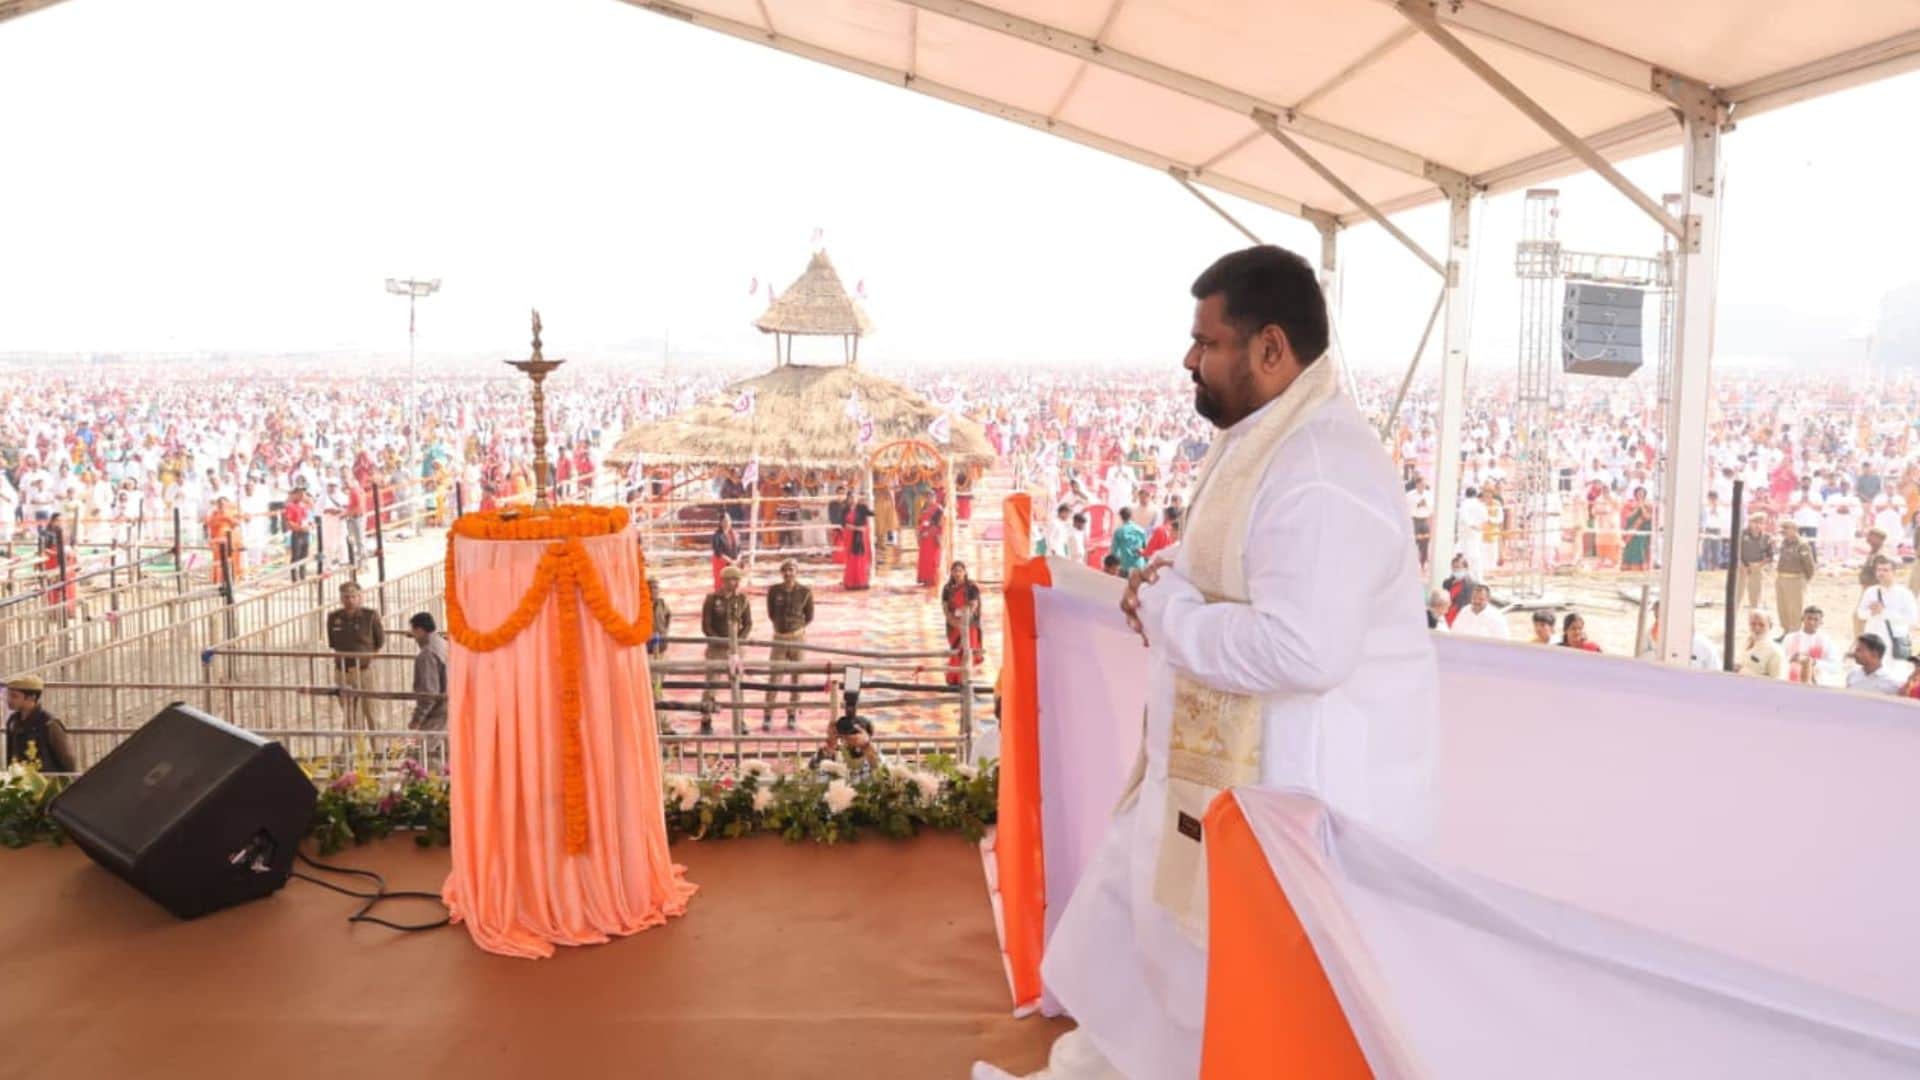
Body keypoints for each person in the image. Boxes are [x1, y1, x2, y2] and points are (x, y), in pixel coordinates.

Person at [979, 245, 1438, 1080]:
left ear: (1270, 348)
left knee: (1260, 994)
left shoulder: (1320, 467)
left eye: (1206, 341)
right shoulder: (1273, 433)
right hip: (1238, 776)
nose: (1190, 359)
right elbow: (1245, 565)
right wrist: (1175, 578)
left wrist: (1169, 610)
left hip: (1302, 789)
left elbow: (1305, 648)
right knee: (1166, 954)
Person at [699, 566, 751, 734]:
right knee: (711, 686)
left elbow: (748, 623)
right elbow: (706, 625)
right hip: (716, 649)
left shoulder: (742, 599)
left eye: (736, 580)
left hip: (736, 650)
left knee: (738, 685)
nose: (733, 583)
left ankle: (740, 720)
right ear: (723, 581)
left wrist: (738, 641)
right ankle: (706, 720)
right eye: (730, 580)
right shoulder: (712, 599)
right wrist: (720, 642)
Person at [327, 582, 385, 732]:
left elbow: (379, 642)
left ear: (360, 598)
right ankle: (351, 751)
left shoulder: (370, 616)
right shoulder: (334, 617)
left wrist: (367, 659)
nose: (350, 600)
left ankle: (378, 751)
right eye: (346, 597)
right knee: (349, 714)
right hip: (342, 671)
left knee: (372, 711)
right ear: (341, 599)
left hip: (365, 670)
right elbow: (333, 643)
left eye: (354, 596)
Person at [764, 559, 813, 731]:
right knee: (774, 677)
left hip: (798, 638)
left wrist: (796, 629)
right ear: (781, 573)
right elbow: (771, 613)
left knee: (797, 678)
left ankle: (792, 714)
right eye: (784, 570)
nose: (788, 573)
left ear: (796, 572)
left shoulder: (805, 592)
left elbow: (809, 616)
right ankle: (768, 715)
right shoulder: (774, 591)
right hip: (779, 638)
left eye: (791, 570)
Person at [4, 675, 75, 773]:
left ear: (31, 698)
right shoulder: (13, 721)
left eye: (14, 696)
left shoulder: (49, 724)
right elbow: (11, 755)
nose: (9, 700)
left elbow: (67, 762)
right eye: (9, 695)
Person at [1856, 556, 1917, 662]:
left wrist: (1884, 613)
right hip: (1874, 641)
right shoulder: (1871, 592)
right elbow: (1860, 614)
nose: (1881, 573)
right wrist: (1872, 612)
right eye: (1879, 570)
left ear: (1894, 573)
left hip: (1894, 642)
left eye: (1885, 570)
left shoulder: (1904, 594)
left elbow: (1913, 619)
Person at [407, 612, 449, 746]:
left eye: (412, 631)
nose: (412, 635)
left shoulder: (427, 655)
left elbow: (428, 693)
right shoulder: (443, 644)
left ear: (419, 631)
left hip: (438, 713)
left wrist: (417, 719)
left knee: (424, 756)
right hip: (451, 708)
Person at [942, 561, 984, 687]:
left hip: (969, 625)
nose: (957, 573)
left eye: (960, 571)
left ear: (965, 572)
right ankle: (954, 678)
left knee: (967, 651)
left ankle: (965, 680)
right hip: (953, 626)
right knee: (956, 652)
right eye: (955, 571)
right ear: (951, 573)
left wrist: (964, 622)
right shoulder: (947, 588)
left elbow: (974, 606)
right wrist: (953, 621)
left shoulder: (971, 587)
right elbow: (945, 608)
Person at [1774, 516, 1817, 635]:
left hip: (1795, 579)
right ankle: (1786, 631)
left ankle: (1794, 633)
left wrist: (1803, 581)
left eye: (1786, 530)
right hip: (1781, 578)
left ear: (1794, 529)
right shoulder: (1784, 542)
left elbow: (1809, 566)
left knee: (1795, 609)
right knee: (1782, 607)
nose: (1784, 533)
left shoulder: (1802, 544)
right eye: (1782, 530)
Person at [1782, 605, 1837, 685]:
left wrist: (1814, 662)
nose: (1811, 622)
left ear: (1821, 622)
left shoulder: (1826, 641)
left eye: (1816, 619)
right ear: (1803, 619)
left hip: (1817, 684)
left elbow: (1835, 667)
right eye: (1809, 618)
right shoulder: (1790, 638)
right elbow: (1780, 660)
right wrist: (1791, 659)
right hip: (1791, 683)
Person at [1736, 515, 1774, 612]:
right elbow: (1735, 551)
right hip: (1741, 568)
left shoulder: (1767, 537)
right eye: (1755, 522)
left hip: (1756, 569)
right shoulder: (1741, 535)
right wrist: (1741, 564)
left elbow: (1769, 556)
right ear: (1750, 523)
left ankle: (1754, 618)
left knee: (1755, 598)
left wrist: (1759, 565)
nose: (1757, 525)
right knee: (1736, 596)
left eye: (1760, 523)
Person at [645, 573, 671, 709]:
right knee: (653, 687)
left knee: (659, 684)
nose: (654, 590)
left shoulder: (662, 603)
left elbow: (667, 618)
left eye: (656, 588)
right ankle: (660, 722)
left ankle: (660, 720)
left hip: (661, 648)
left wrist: (664, 635)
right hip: (647, 651)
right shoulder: (641, 605)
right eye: (651, 588)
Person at [1738, 610, 1785, 679]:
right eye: (1753, 624)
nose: (1757, 628)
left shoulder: (1775, 651)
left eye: (1761, 625)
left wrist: (1744, 672)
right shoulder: (1745, 643)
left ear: (1770, 626)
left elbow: (1777, 681)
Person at [843, 493, 874, 590]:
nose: (851, 500)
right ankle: (851, 582)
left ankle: (861, 581)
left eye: (853, 498)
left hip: (860, 537)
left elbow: (872, 514)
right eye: (850, 498)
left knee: (861, 559)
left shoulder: (861, 508)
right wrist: (857, 528)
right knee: (851, 559)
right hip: (850, 537)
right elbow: (844, 524)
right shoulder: (845, 510)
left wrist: (865, 504)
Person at [1108, 506, 1148, 575]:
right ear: (1131, 516)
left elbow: (1114, 552)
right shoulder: (1141, 530)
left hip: (1125, 567)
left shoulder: (1119, 532)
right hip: (1139, 566)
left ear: (1121, 517)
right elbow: (1146, 550)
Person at [284, 486, 313, 581]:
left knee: (304, 555)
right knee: (296, 556)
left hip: (305, 532)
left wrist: (310, 525)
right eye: (299, 494)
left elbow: (307, 518)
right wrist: (299, 527)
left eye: (302, 494)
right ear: (295, 495)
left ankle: (303, 576)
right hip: (297, 533)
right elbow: (289, 522)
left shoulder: (304, 505)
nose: (301, 496)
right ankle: (294, 579)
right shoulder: (290, 506)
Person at [1621, 486, 1653, 571]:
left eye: (1642, 494)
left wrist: (1642, 506)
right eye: (1639, 493)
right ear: (1635, 494)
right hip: (1632, 531)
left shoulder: (1648, 505)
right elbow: (1628, 516)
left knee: (1640, 549)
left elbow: (1647, 517)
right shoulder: (1630, 504)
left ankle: (1641, 567)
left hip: (1643, 531)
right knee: (1631, 548)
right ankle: (1628, 567)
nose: (1640, 495)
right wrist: (1636, 508)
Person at [915, 495, 944, 588]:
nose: (929, 499)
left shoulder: (938, 509)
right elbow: (920, 521)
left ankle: (932, 579)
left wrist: (929, 532)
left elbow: (939, 524)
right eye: (928, 497)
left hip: (932, 537)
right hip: (924, 537)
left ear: (935, 498)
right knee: (924, 558)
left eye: (931, 497)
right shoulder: (924, 507)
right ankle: (924, 579)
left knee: (932, 559)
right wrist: (920, 532)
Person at [1439, 552, 1475, 626]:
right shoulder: (1446, 583)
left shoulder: (1472, 585)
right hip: (1446, 618)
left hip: (1461, 620)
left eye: (1458, 567)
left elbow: (1469, 605)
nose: (1455, 570)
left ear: (1466, 568)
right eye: (1453, 567)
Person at [709, 514, 741, 592]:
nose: (727, 523)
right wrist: (729, 561)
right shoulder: (716, 536)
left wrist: (737, 560)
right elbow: (717, 551)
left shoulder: (735, 534)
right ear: (720, 523)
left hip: (734, 563)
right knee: (721, 585)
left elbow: (739, 549)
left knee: (734, 584)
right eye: (724, 521)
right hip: (721, 563)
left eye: (729, 520)